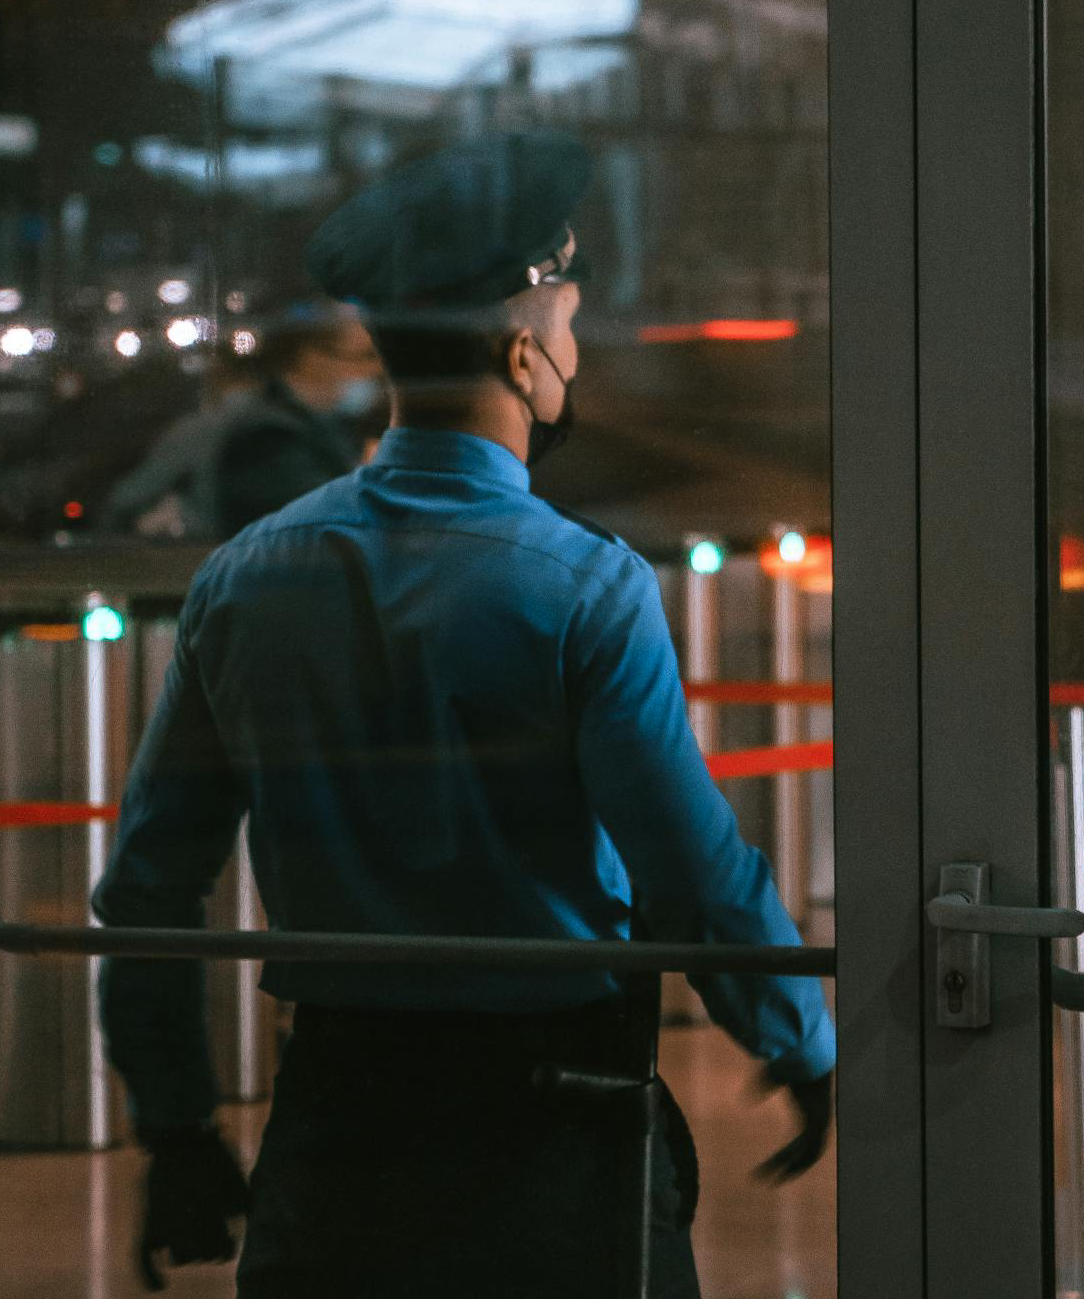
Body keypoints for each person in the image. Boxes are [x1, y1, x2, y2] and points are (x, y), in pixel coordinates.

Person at [91, 130, 834, 1298]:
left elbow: (147, 888)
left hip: (334, 1130)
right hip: (552, 1138)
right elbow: (688, 865)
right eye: (573, 323)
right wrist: (797, 1037)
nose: (576, 354)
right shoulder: (586, 585)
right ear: (523, 348)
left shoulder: (243, 578)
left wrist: (177, 1125)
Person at [100, 302, 384, 540]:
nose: (378, 369)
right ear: (311, 357)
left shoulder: (329, 428)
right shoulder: (264, 437)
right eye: (366, 356)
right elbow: (323, 521)